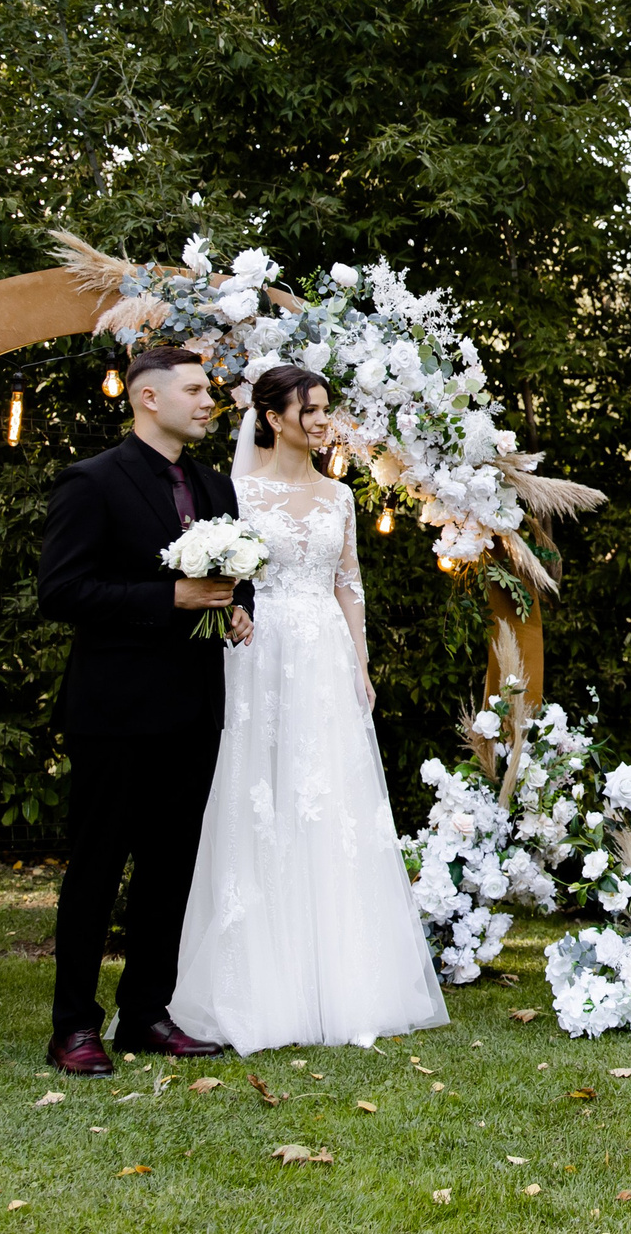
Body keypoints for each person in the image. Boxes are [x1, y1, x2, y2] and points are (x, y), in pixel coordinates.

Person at [167, 363, 449, 1052]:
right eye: (311, 409)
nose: (323, 420)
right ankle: (257, 979)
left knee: (328, 802)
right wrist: (232, 614)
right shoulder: (235, 489)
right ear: (273, 416)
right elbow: (218, 577)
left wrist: (359, 661)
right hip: (257, 653)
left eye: (327, 409)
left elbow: (348, 583)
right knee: (260, 796)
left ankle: (344, 978)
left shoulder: (340, 495)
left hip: (323, 655)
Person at [35, 347, 251, 1075]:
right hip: (115, 710)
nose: (207, 400)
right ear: (146, 399)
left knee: (170, 868)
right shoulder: (92, 482)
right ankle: (73, 1025)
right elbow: (61, 591)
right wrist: (169, 599)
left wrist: (238, 611)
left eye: (209, 389)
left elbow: (233, 579)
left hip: (195, 706)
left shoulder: (216, 484)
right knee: (97, 868)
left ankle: (146, 1012)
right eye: (193, 389)